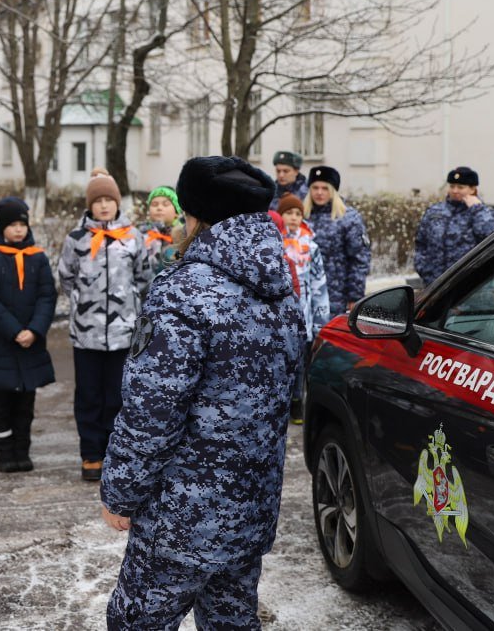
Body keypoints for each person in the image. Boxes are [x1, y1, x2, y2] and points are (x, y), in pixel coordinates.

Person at [101, 156, 304, 631]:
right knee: (231, 621)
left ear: (194, 215)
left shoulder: (183, 289)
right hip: (250, 507)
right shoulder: (279, 286)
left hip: (181, 516)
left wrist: (121, 492)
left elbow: (153, 408)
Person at [58, 170, 152, 482]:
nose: (103, 206)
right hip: (87, 333)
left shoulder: (132, 237)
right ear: (89, 205)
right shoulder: (77, 240)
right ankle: (91, 454)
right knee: (88, 395)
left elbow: (144, 278)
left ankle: (116, 454)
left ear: (116, 203)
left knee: (118, 395)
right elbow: (66, 277)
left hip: (123, 335)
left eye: (108, 200)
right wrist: (82, 302)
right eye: (97, 201)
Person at [0, 198, 57, 473]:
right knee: (0, 405)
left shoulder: (37, 257)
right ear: (1, 227)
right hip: (1, 344)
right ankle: (3, 452)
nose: (18, 230)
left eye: (22, 224)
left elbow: (47, 296)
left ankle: (22, 450)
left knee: (25, 405)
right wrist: (14, 330)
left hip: (31, 343)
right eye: (12, 225)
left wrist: (35, 329)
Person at [275, 194, 330, 424]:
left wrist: (320, 318)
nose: (294, 218)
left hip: (304, 309)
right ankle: (280, 403)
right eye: (289, 213)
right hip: (279, 312)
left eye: (298, 214)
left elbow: (319, 282)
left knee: (299, 360)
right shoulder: (274, 243)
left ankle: (297, 401)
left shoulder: (311, 245)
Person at [414, 166, 494, 286]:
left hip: (470, 287)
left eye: (460, 187)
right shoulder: (434, 211)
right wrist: (423, 269)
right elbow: (421, 243)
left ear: (472, 189)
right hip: (435, 285)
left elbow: (493, 239)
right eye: (452, 186)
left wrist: (477, 210)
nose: (455, 190)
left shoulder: (486, 213)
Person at [304, 166, 372, 316]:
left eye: (325, 188)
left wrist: (355, 296)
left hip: (336, 296)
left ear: (333, 191)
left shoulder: (348, 218)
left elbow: (359, 260)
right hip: (305, 295)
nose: (319, 192)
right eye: (315, 187)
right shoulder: (301, 216)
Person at [140, 186, 181, 277]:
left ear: (176, 211)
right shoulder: (141, 236)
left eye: (165, 204)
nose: (159, 208)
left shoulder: (183, 236)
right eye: (154, 204)